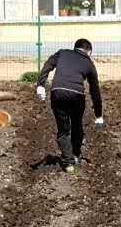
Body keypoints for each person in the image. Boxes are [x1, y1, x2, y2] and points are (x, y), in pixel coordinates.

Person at [36, 37, 103, 172]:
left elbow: (48, 65)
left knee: (63, 129)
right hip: (76, 95)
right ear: (89, 51)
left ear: (75, 48)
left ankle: (68, 163)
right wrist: (98, 115)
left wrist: (40, 85)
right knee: (77, 125)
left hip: (57, 92)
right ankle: (75, 155)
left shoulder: (62, 53)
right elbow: (95, 90)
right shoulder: (89, 63)